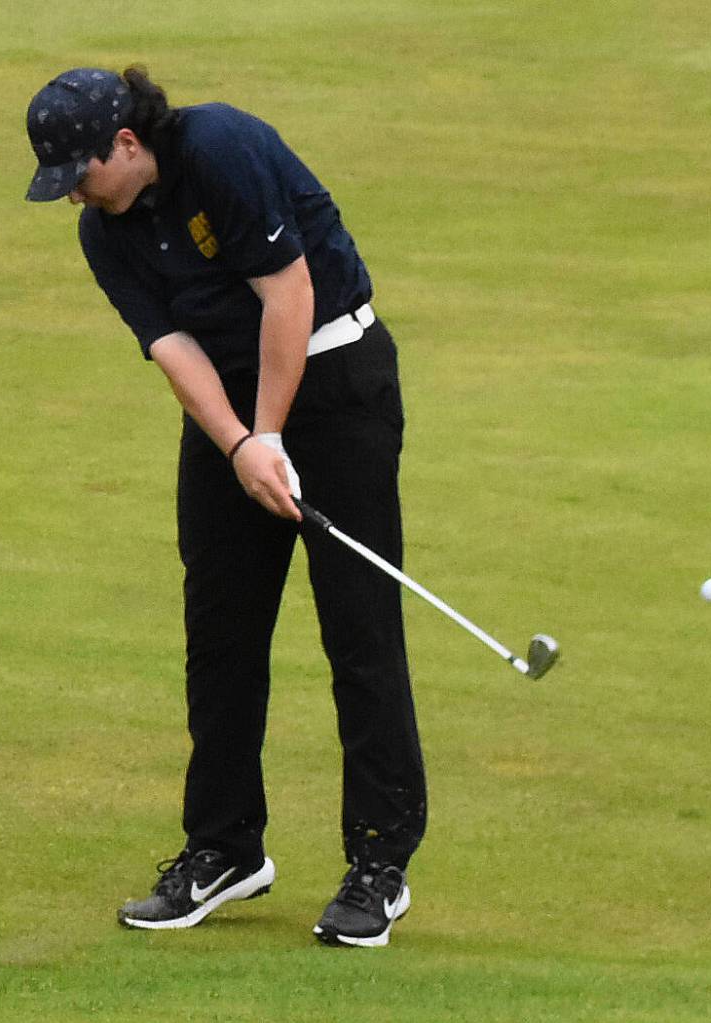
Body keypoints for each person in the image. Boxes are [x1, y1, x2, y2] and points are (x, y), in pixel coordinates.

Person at [24, 66, 427, 947]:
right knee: (220, 631)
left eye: (80, 175)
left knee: (358, 628)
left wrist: (270, 432)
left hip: (335, 381)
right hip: (231, 411)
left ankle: (379, 864)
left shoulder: (220, 148)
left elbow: (290, 294)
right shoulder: (103, 232)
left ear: (126, 142)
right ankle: (224, 846)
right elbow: (172, 346)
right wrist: (241, 444)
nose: (75, 196)